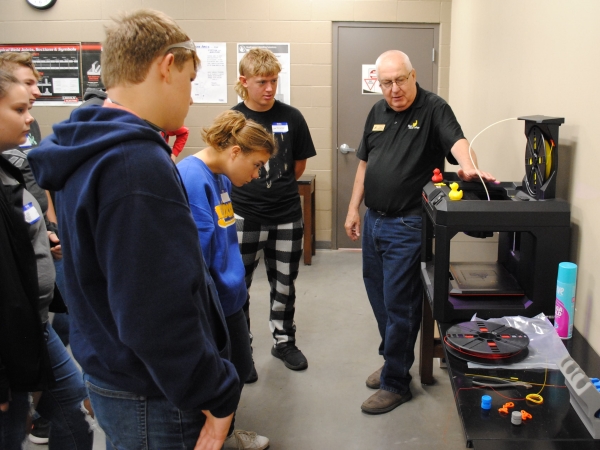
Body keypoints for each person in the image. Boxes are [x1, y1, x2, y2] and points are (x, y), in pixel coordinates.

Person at [28, 9, 240, 450]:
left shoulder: (87, 142)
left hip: (111, 369)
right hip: (154, 392)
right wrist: (217, 393)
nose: (189, 97)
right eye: (189, 81)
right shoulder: (133, 164)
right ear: (167, 65)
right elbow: (155, 310)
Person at [344, 50, 496, 415]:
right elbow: (364, 164)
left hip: (409, 224)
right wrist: (353, 207)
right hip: (375, 221)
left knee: (401, 305)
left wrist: (470, 166)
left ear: (413, 75)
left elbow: (457, 141)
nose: (394, 89)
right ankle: (392, 358)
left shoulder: (433, 108)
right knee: (380, 299)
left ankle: (396, 382)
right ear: (377, 83)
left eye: (400, 80)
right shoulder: (377, 112)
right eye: (386, 83)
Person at [0, 64, 94, 448]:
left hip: (32, 325)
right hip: (10, 341)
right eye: (19, 108)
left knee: (73, 415)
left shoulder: (8, 169)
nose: (30, 115)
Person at [178, 110, 276, 450]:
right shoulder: (192, 178)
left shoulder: (220, 175)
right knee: (212, 384)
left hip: (230, 298)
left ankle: (228, 433)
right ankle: (209, 440)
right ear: (235, 152)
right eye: (256, 164)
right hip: (210, 306)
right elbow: (192, 260)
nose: (258, 173)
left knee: (236, 373)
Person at [232, 48, 316, 379]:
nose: (270, 88)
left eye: (274, 81)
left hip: (285, 215)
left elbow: (298, 166)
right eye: (262, 81)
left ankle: (283, 341)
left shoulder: (291, 117)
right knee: (238, 286)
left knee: (284, 283)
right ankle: (242, 350)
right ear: (244, 82)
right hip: (243, 215)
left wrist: (276, 189)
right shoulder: (234, 120)